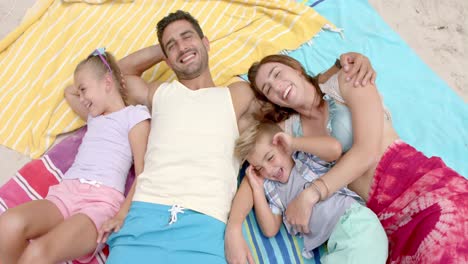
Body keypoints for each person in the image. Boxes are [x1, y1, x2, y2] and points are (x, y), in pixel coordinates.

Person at [101, 10, 376, 264]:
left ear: (206, 42)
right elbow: (118, 76)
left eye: (187, 38)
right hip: (145, 214)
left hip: (203, 222)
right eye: (171, 45)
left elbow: (290, 94)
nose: (182, 46)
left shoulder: (237, 94)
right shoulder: (159, 93)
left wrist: (342, 65)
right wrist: (165, 51)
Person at [225, 54, 468, 263]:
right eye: (268, 89)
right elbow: (255, 175)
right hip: (381, 221)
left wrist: (311, 194)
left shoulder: (346, 80)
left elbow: (367, 151)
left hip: (418, 186)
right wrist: (234, 228)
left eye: (278, 74)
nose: (277, 86)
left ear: (296, 68)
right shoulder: (288, 131)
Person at [0, 48, 151, 264]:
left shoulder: (134, 115)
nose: (81, 98)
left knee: (38, 253)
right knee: (8, 223)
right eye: (80, 92)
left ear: (107, 82)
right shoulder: (93, 117)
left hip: (100, 202)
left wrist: (121, 215)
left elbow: (143, 172)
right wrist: (102, 75)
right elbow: (68, 91)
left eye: (84, 89)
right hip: (66, 192)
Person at [234, 120, 388, 263]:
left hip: (356, 224)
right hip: (337, 243)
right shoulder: (273, 188)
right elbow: (270, 229)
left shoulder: (306, 160)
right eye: (260, 168)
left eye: (270, 158)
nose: (268, 170)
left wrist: (294, 143)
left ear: (282, 145)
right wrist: (257, 188)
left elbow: (334, 149)